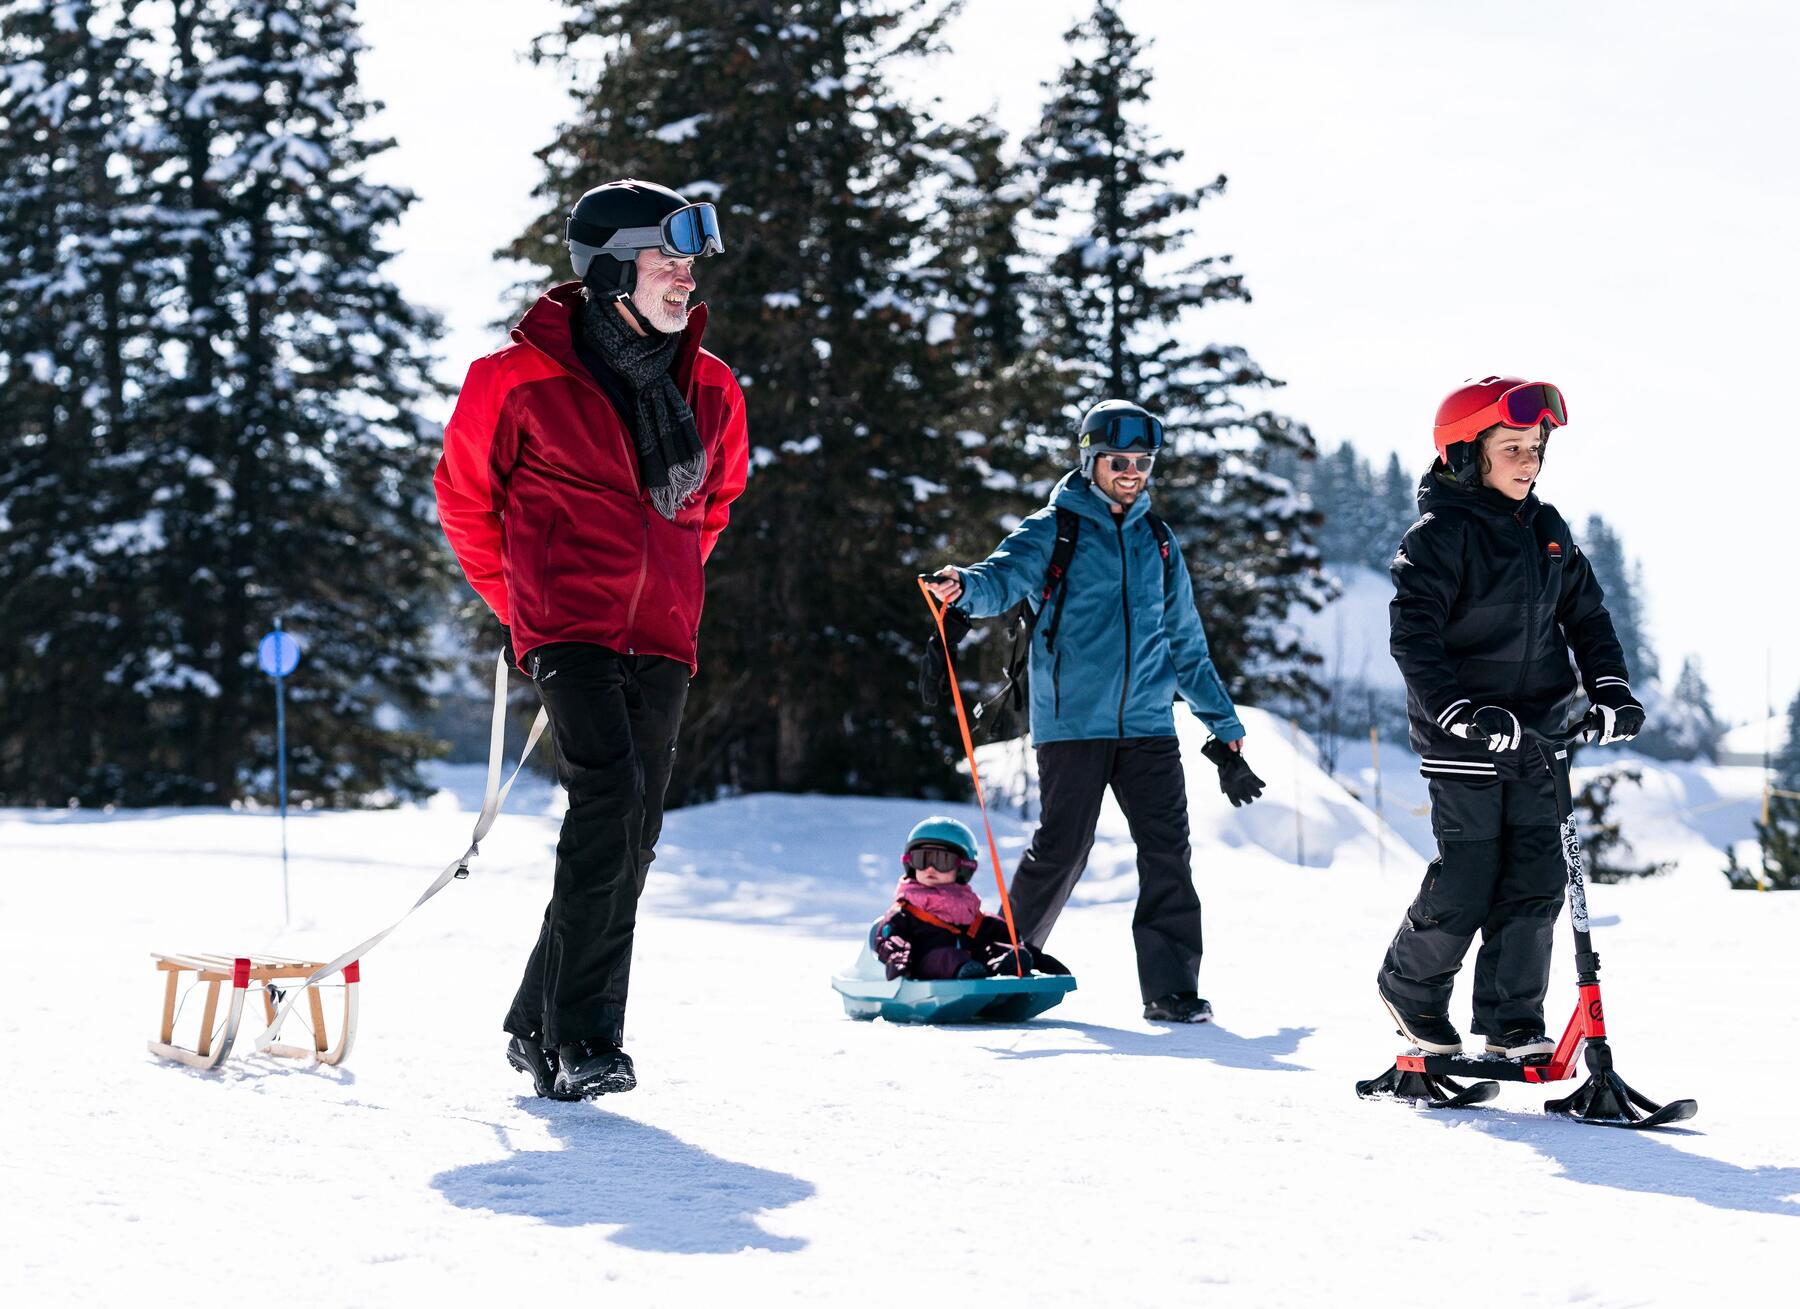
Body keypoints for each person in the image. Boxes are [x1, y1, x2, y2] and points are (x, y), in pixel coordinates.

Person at [434, 179, 749, 1098]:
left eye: (689, 262)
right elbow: (465, 500)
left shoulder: (711, 385)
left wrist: (670, 582)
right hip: (567, 624)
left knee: (633, 832)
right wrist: (524, 607)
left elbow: (713, 501)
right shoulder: (514, 377)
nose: (684, 277)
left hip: (661, 636)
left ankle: (533, 1019)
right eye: (666, 258)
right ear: (612, 267)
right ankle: (583, 1042)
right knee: (609, 806)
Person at [924, 399, 1264, 1024]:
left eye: (1141, 461)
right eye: (1118, 460)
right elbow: (1001, 578)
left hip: (1148, 727)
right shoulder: (1055, 528)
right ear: (1090, 460)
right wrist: (965, 589)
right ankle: (1006, 963)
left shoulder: (1158, 542)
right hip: (1072, 723)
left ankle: (1171, 990)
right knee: (1062, 847)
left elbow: (1186, 642)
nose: (1131, 471)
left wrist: (1225, 725)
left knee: (1168, 853)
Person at [1377, 376, 1644, 1061]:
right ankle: (1411, 987)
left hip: (1540, 736)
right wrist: (1459, 711)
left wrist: (1609, 690)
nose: (1529, 460)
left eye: (1536, 447)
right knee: (1469, 875)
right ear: (1467, 454)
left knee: (1537, 877)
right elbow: (1415, 637)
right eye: (1512, 447)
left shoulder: (1547, 530)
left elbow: (1587, 616)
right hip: (1465, 737)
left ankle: (1511, 1019)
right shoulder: (1439, 535)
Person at [871, 817, 1036, 981]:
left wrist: (1031, 955)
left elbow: (998, 931)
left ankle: (1009, 965)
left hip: (972, 965)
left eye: (942, 861)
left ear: (963, 867)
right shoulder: (904, 912)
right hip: (922, 969)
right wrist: (898, 957)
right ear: (910, 863)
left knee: (992, 949)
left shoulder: (970, 912)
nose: (930, 868)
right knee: (946, 957)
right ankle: (965, 972)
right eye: (922, 860)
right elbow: (891, 938)